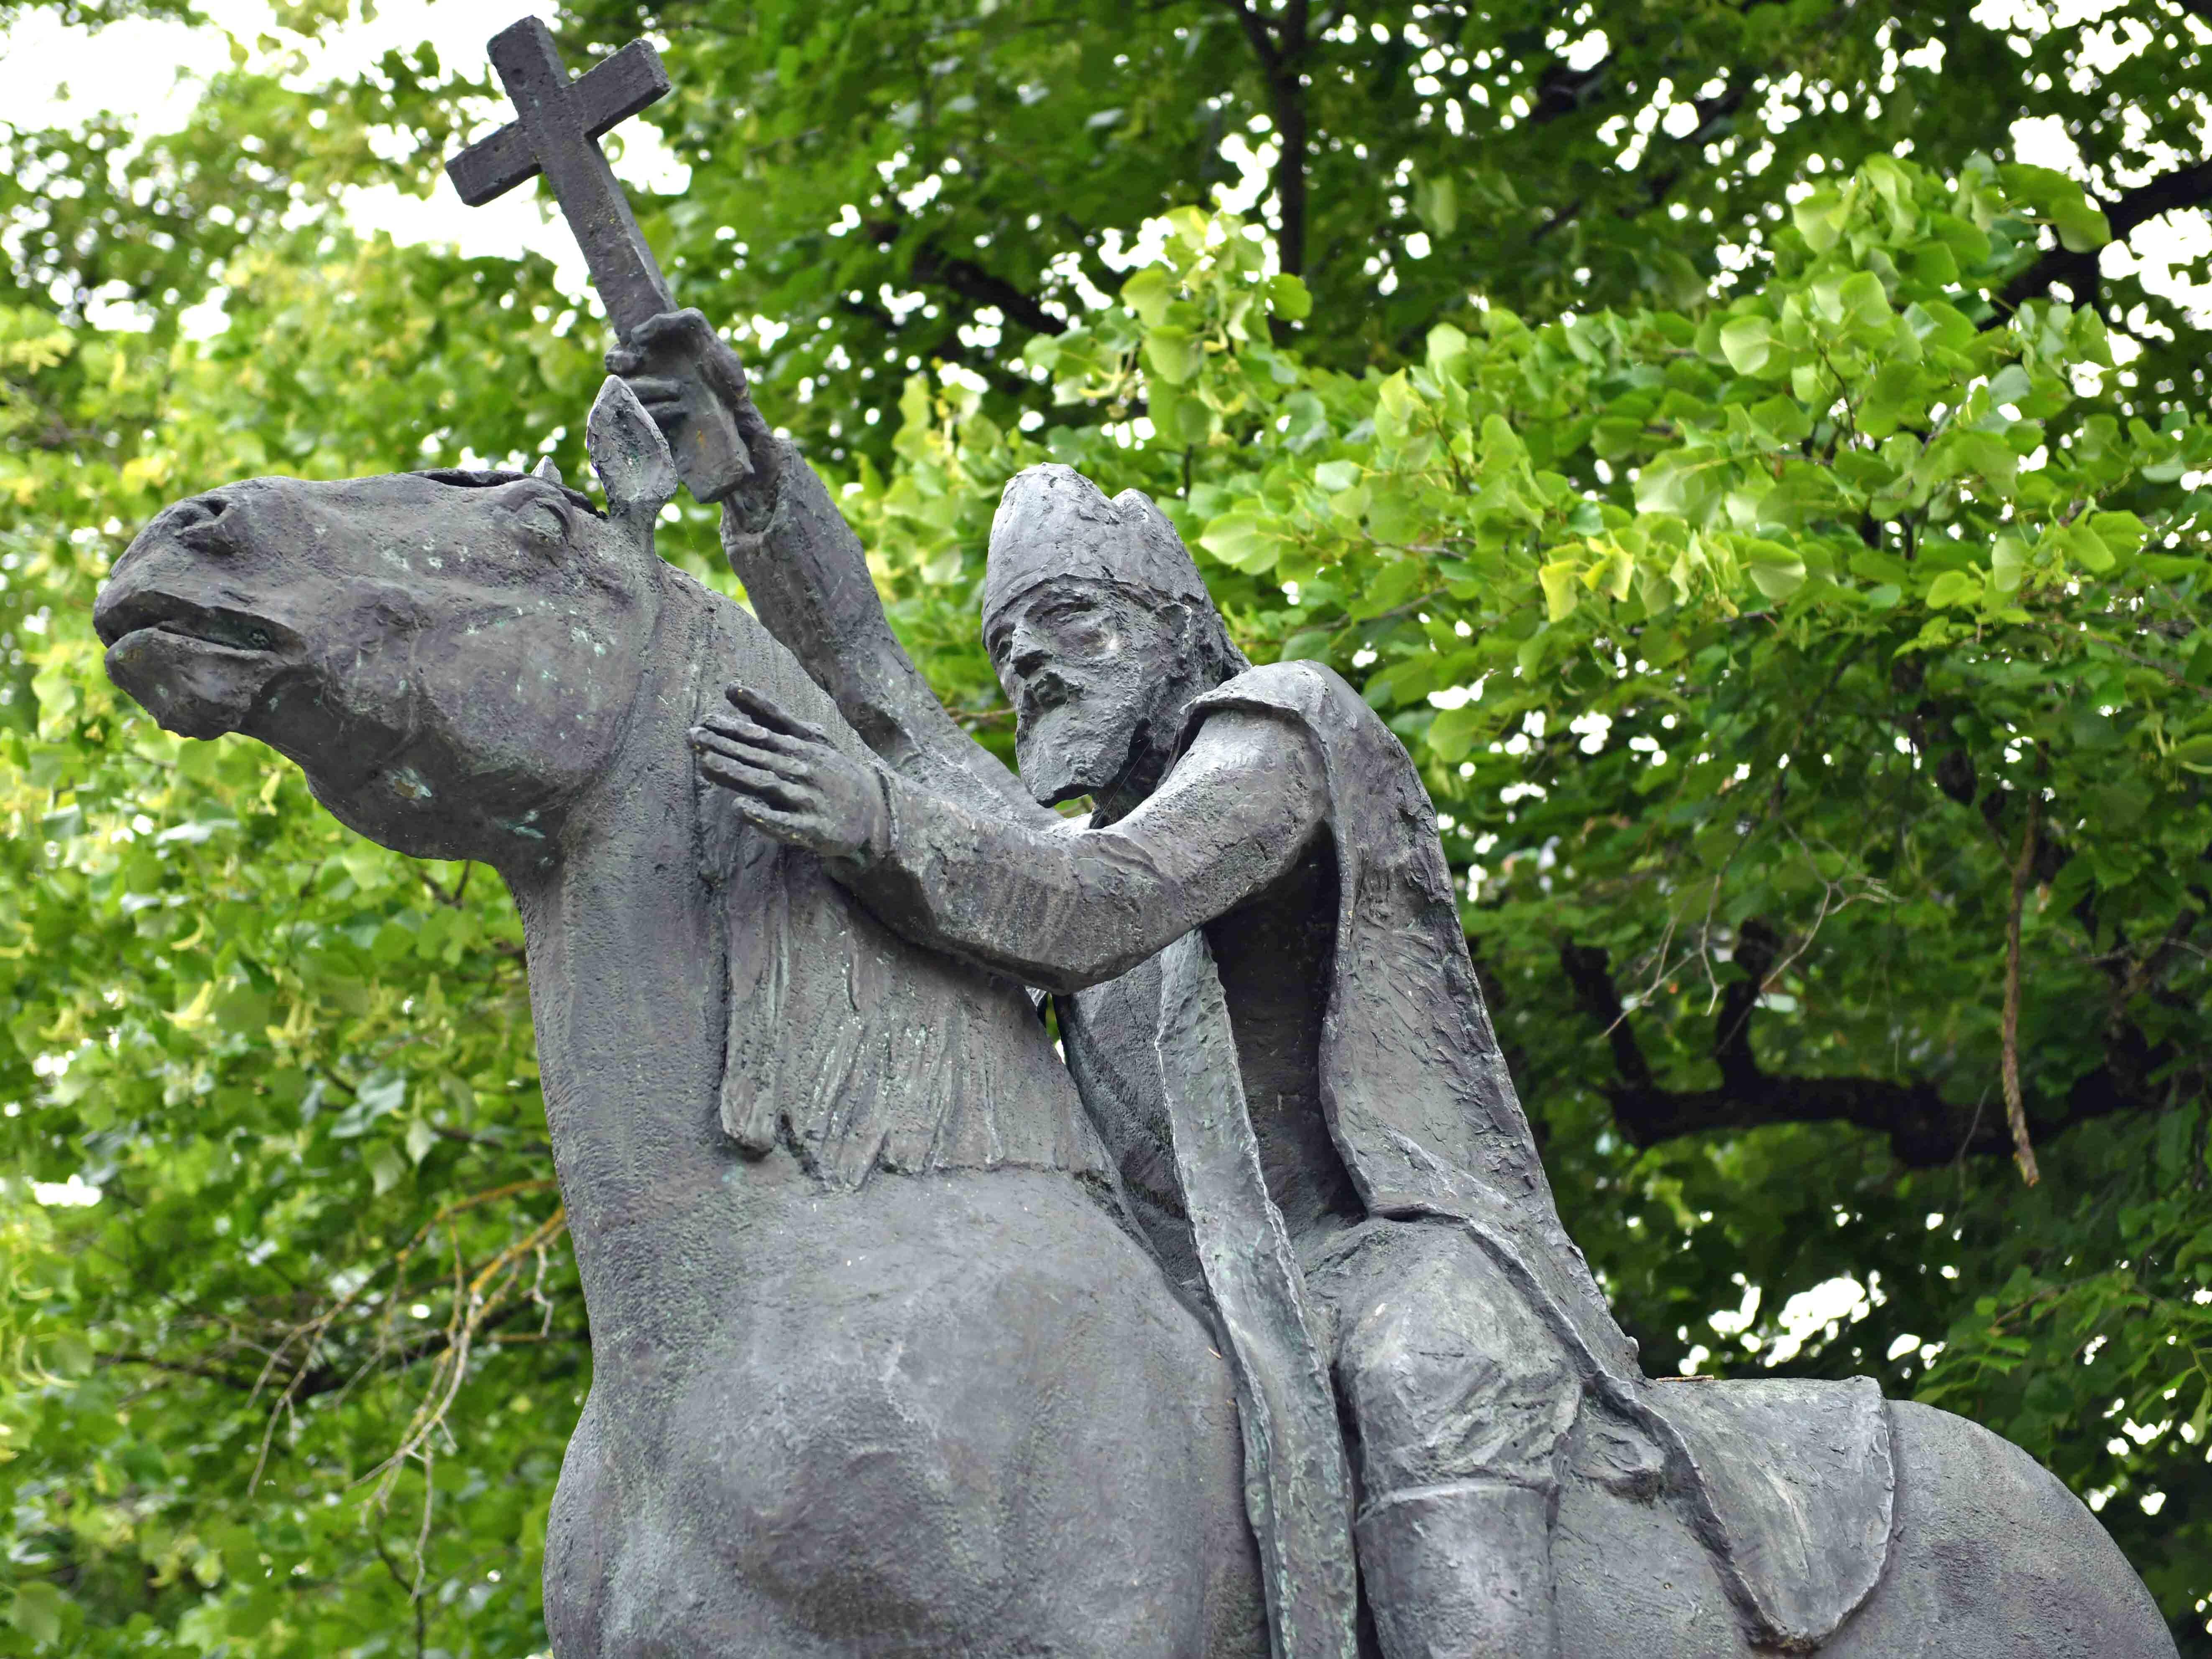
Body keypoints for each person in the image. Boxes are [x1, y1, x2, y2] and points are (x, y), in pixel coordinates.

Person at [610, 309, 1655, 1659]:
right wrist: (753, 482)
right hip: (1184, 1294)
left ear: (1180, 631)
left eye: (1069, 620)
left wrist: (877, 824)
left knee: (1424, 1373)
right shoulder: (1049, 853)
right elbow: (877, 690)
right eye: (1008, 649)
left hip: (1377, 1263)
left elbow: (1098, 907)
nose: (1030, 664)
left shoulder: (1284, 737)